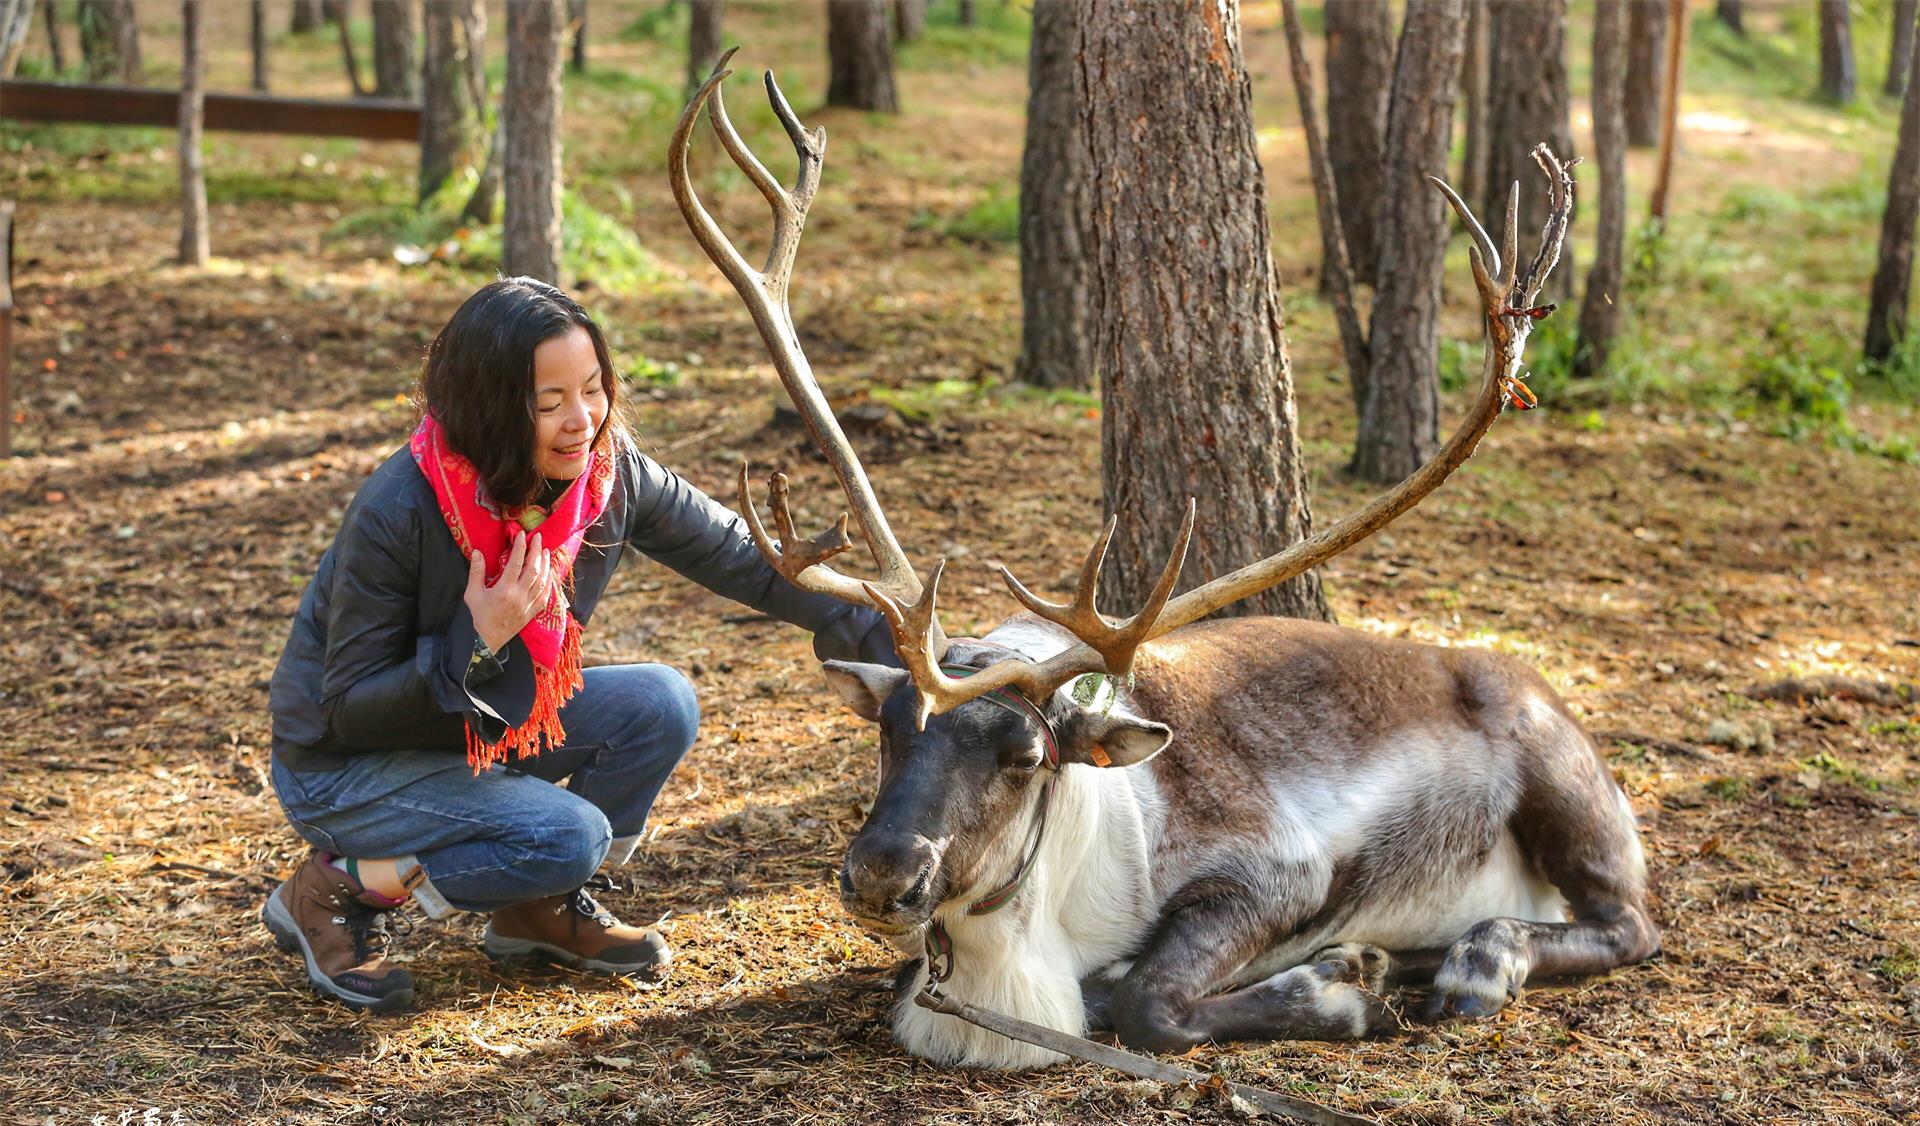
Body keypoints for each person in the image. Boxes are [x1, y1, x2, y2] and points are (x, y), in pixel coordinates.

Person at [261, 277, 892, 1012]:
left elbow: (742, 556)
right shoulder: (399, 508)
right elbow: (348, 711)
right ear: (490, 406)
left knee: (660, 703)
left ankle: (535, 913)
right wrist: (482, 637)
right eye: (548, 401)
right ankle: (335, 886)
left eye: (592, 389)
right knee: (569, 837)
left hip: (482, 726)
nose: (581, 421)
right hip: (346, 769)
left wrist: (888, 637)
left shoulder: (605, 476)